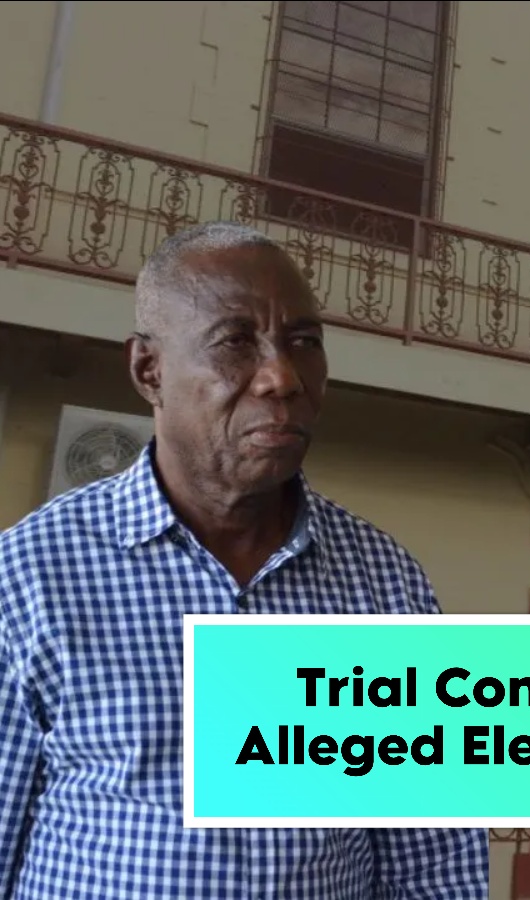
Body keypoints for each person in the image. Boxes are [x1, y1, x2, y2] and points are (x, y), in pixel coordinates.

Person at [0, 222, 490, 899]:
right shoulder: (30, 574)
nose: (282, 378)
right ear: (149, 370)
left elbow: (431, 854)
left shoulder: (386, 583)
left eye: (304, 342)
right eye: (235, 341)